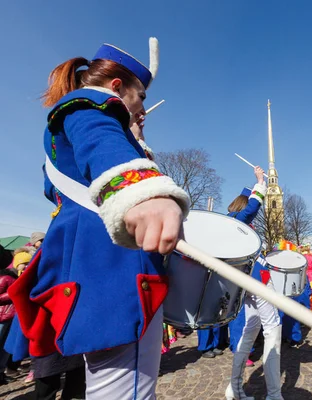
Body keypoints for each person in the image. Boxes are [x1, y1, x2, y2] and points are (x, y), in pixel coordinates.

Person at [6, 38, 191, 399]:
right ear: (117, 87)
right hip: (115, 271)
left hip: (88, 272)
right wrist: (144, 191)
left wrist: (135, 138)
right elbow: (99, 137)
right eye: (140, 97)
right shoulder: (90, 104)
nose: (140, 108)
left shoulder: (75, 128)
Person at [225, 166, 283, 400]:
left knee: (250, 331)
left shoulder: (229, 222)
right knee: (273, 329)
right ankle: (274, 395)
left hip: (243, 284)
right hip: (256, 280)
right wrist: (260, 181)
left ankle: (235, 389)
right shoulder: (239, 220)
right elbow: (253, 207)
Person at [0, 262, 17, 385]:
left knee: (5, 346)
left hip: (6, 316)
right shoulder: (7, 277)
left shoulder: (6, 278)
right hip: (5, 316)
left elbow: (13, 292)